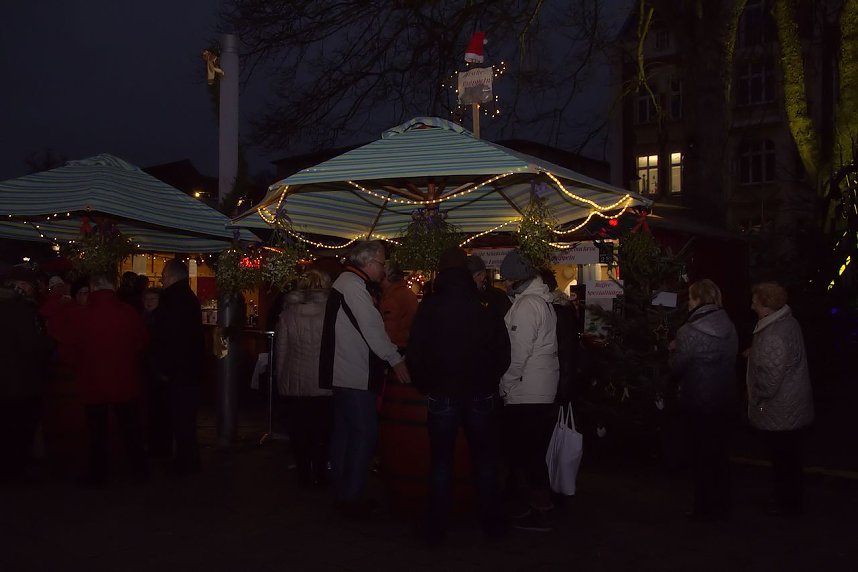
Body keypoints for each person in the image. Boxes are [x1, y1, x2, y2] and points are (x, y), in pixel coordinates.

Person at [407, 248, 511, 543]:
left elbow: (415, 352)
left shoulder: (430, 306)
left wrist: (426, 384)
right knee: (485, 460)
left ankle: (436, 526)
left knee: (441, 461)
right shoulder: (484, 304)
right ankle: (491, 523)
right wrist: (490, 379)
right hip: (480, 392)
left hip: (442, 393)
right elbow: (503, 350)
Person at [319, 240, 410, 518]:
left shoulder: (346, 283)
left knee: (346, 433)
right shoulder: (353, 286)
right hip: (353, 372)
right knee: (364, 433)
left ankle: (343, 492)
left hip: (344, 371)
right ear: (369, 262)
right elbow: (372, 329)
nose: (383, 268)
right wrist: (396, 360)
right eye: (382, 262)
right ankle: (351, 498)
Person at [497, 249, 559, 531]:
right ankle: (534, 506)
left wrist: (506, 385)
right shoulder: (541, 302)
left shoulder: (526, 306)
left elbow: (517, 353)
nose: (503, 283)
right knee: (530, 453)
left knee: (530, 455)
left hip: (527, 391)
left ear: (514, 279)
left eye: (505, 278)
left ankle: (541, 510)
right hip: (540, 388)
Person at [669, 279, 738, 521]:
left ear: (698, 299)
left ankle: (703, 508)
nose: (688, 302)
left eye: (690, 298)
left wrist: (673, 351)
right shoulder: (729, 325)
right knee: (720, 455)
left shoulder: (688, 332)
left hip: (697, 400)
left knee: (701, 456)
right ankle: (722, 506)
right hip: (724, 398)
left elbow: (676, 367)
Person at [72, 273, 149, 487]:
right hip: (124, 379)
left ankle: (98, 473)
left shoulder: (82, 315)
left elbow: (71, 348)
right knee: (130, 428)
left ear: (93, 288)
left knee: (97, 433)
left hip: (93, 380)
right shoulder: (128, 312)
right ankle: (139, 470)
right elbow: (141, 340)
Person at [746, 281, 814, 516]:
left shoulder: (773, 334)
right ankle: (790, 501)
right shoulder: (788, 323)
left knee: (783, 458)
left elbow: (770, 381)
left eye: (755, 300)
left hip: (780, 409)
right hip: (792, 405)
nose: (752, 304)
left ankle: (787, 504)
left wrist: (755, 394)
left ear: (765, 305)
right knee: (790, 458)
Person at [275, 269, 334, 487]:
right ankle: (320, 472)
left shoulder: (288, 314)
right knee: (322, 432)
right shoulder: (331, 313)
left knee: (299, 432)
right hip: (324, 382)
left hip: (295, 381)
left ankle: (303, 474)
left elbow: (281, 351)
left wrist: (281, 380)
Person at [0, 266, 55, 483]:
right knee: (18, 428)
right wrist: (50, 342)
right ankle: (14, 471)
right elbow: (31, 345)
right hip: (19, 379)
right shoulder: (20, 309)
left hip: (8, 378)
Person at [150, 259, 206, 474]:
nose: (162, 278)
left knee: (181, 419)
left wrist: (163, 368)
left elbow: (169, 338)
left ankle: (185, 462)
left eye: (164, 274)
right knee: (186, 419)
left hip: (178, 371)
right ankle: (189, 459)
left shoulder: (172, 300)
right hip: (189, 368)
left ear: (172, 276)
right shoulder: (187, 298)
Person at [379, 261, 418, 351]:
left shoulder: (392, 298)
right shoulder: (405, 292)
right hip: (406, 346)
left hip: (397, 348)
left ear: (387, 276)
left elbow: (389, 332)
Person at [465, 254, 512, 322]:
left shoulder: (498, 296)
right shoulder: (465, 297)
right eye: (477, 275)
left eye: (481, 274)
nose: (481, 278)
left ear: (484, 273)